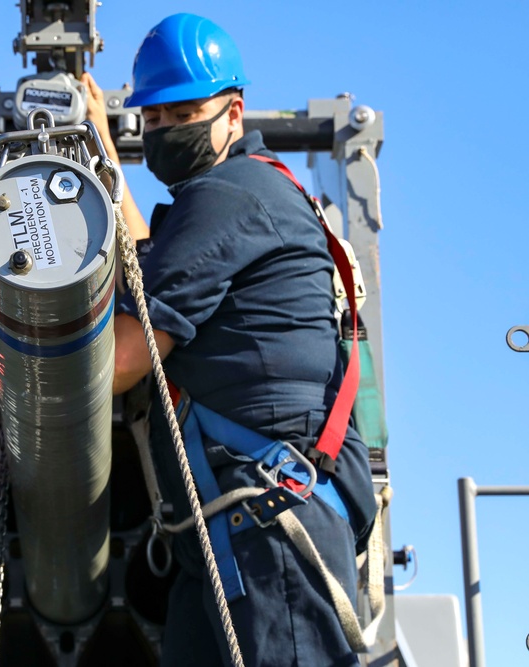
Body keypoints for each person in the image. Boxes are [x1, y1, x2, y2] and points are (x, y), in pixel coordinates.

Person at [84, 14, 378, 667]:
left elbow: (120, 363)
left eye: (183, 111)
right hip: (237, 533)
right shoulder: (239, 196)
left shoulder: (229, 196)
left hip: (268, 529)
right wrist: (104, 158)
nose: (164, 131)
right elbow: (151, 260)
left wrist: (12, 336)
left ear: (233, 112)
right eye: (152, 120)